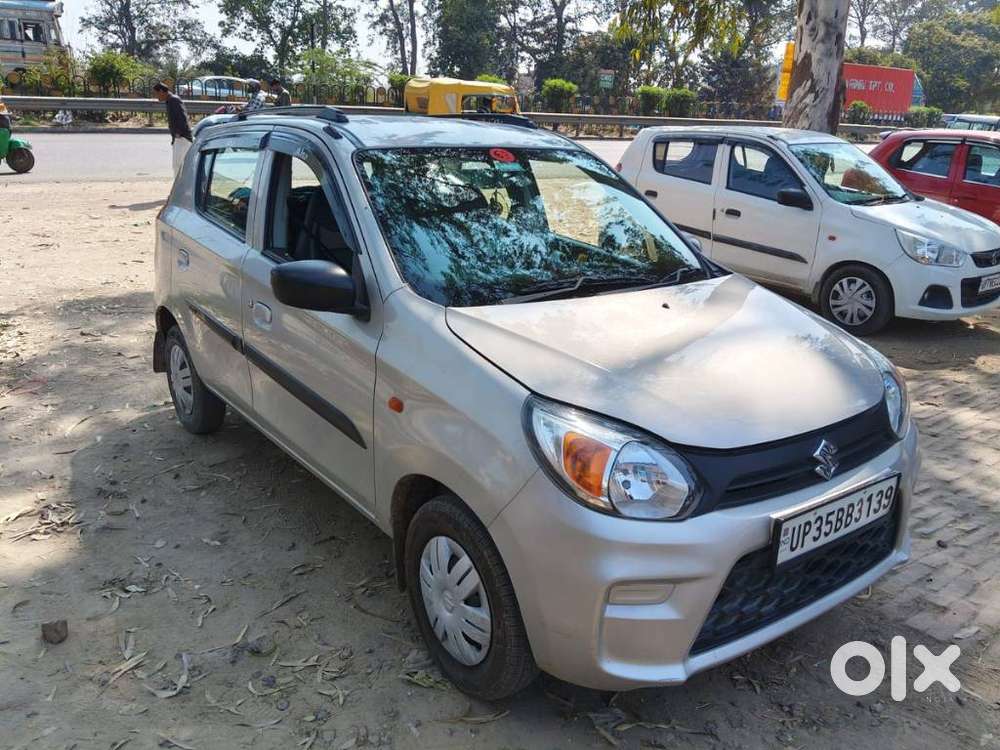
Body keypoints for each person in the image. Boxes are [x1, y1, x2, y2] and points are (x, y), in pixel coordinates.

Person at [153, 83, 192, 177]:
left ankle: (179, 188)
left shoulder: (173, 100)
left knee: (178, 165)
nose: (155, 96)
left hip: (182, 138)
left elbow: (183, 117)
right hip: (179, 138)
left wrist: (179, 133)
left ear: (162, 91)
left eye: (156, 93)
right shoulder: (170, 100)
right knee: (181, 165)